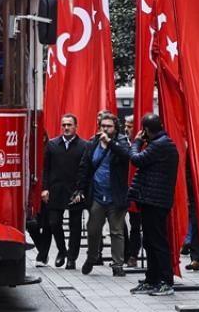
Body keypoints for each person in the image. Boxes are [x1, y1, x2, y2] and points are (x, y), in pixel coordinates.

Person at [128, 114, 178, 296]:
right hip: (151, 199)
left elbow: (136, 159)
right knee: (150, 241)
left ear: (146, 130)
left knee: (157, 242)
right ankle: (152, 279)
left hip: (155, 201)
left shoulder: (160, 145)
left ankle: (165, 280)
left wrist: (136, 142)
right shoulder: (162, 143)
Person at [76, 113, 131, 277]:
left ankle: (117, 265)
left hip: (116, 195)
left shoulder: (121, 141)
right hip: (97, 194)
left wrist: (110, 143)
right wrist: (80, 189)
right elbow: (85, 166)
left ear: (115, 128)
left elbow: (126, 155)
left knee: (117, 231)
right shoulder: (93, 142)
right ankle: (92, 257)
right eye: (103, 126)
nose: (106, 129)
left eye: (109, 126)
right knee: (93, 229)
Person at [39, 114, 86, 269]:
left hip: (75, 191)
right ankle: (62, 251)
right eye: (64, 124)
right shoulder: (52, 145)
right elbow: (46, 169)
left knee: (75, 225)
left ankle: (72, 258)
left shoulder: (83, 146)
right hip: (55, 190)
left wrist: (81, 190)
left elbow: (85, 171)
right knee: (54, 222)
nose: (66, 127)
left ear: (75, 126)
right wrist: (44, 188)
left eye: (69, 125)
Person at [121, 115, 142, 270]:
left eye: (130, 126)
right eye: (126, 126)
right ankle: (126, 252)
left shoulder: (141, 145)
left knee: (136, 224)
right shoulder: (122, 142)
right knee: (120, 224)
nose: (127, 129)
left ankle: (133, 255)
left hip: (138, 190)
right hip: (122, 189)